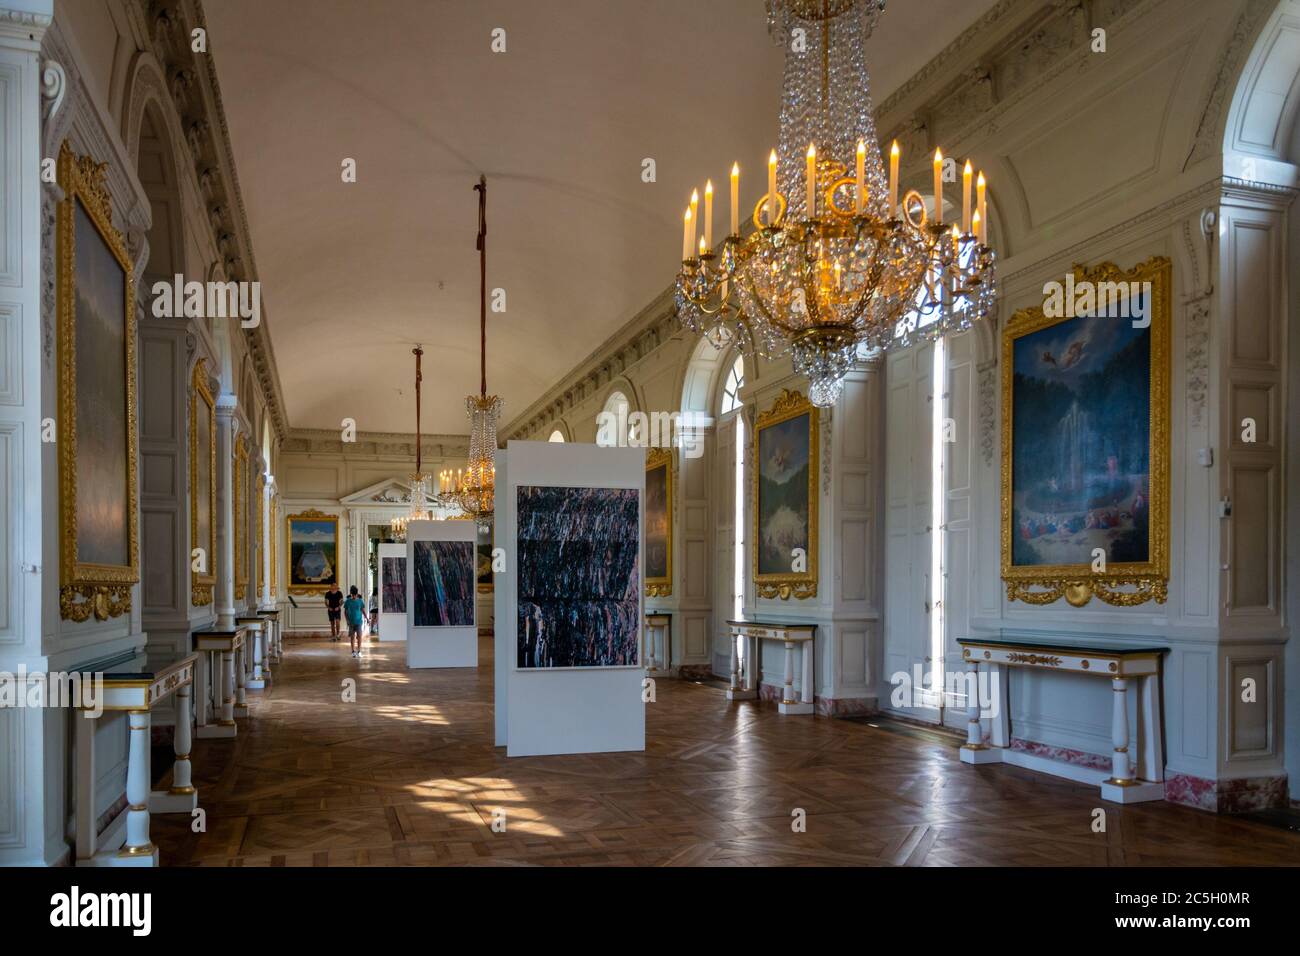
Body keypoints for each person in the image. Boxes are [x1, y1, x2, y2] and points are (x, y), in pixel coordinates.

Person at [344, 586, 367, 658]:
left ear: (357, 594)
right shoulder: (347, 601)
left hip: (359, 622)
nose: (353, 596)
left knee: (359, 636)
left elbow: (363, 610)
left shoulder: (360, 601)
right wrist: (347, 620)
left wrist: (367, 618)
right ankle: (353, 651)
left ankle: (359, 651)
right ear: (351, 594)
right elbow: (345, 612)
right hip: (351, 622)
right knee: (352, 637)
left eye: (355, 595)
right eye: (352, 595)